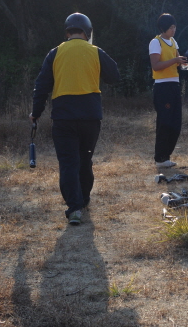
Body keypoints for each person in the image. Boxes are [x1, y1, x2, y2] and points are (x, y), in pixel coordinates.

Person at [30, 13, 120, 225]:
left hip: (64, 117)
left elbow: (41, 87)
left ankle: (74, 208)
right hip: (90, 117)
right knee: (85, 159)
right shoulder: (95, 51)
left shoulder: (55, 53)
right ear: (87, 32)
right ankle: (84, 199)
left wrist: (36, 112)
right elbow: (115, 76)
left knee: (69, 163)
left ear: (67, 32)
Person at [150, 13, 187, 168]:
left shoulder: (173, 41)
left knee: (175, 123)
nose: (174, 30)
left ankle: (166, 156)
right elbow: (156, 66)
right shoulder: (155, 42)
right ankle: (160, 158)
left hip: (174, 86)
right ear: (163, 27)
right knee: (164, 123)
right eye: (171, 27)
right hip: (162, 87)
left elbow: (179, 63)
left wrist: (186, 61)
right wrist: (175, 60)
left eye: (174, 27)